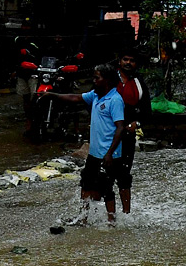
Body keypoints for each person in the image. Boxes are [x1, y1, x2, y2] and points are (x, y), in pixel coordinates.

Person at [42, 63, 126, 228]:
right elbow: (76, 98)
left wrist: (109, 154)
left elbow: (120, 127)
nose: (94, 80)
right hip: (94, 154)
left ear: (107, 80)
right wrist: (53, 95)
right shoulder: (96, 95)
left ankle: (112, 222)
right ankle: (83, 218)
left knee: (106, 188)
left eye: (97, 78)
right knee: (85, 184)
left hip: (109, 155)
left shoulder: (115, 100)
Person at [113, 47, 151, 218]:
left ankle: (126, 213)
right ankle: (103, 213)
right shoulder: (108, 79)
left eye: (132, 60)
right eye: (125, 59)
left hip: (127, 135)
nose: (128, 63)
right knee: (100, 174)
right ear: (119, 61)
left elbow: (147, 111)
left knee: (124, 173)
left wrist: (137, 123)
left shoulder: (139, 83)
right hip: (107, 134)